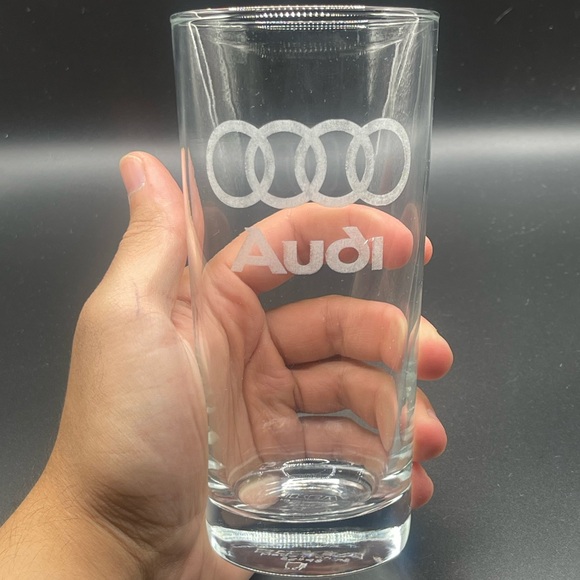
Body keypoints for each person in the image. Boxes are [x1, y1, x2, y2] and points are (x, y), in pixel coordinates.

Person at [0, 152, 453, 579]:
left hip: (330, 509)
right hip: (231, 515)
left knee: (402, 337)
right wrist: (107, 523)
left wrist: (100, 531)